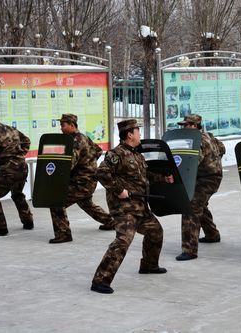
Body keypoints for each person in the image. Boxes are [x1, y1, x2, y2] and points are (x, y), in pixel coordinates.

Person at [91, 119, 173, 294]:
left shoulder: (136, 154)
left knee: (155, 231)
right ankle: (100, 280)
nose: (140, 135)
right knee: (123, 241)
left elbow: (144, 176)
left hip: (140, 206)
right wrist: (119, 190)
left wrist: (163, 179)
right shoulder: (117, 154)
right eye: (138, 131)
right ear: (130, 134)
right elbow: (101, 172)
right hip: (124, 208)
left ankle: (149, 266)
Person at [48, 113, 114, 244]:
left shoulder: (74, 141)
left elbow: (69, 163)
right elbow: (98, 151)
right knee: (87, 204)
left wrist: (56, 175)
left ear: (72, 125)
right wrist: (89, 164)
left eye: (63, 125)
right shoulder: (83, 137)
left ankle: (63, 233)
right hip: (88, 180)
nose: (61, 128)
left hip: (81, 182)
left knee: (56, 202)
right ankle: (110, 222)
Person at [175, 114, 225, 261]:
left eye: (186, 125)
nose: (184, 128)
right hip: (209, 176)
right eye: (183, 125)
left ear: (194, 126)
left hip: (207, 179)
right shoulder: (209, 136)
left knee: (190, 207)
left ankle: (189, 249)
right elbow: (221, 148)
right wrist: (214, 160)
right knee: (200, 205)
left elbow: (193, 161)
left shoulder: (198, 141)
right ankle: (212, 234)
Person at [0, 110, 34, 236]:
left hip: (9, 169)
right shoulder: (11, 129)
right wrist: (18, 155)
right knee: (17, 194)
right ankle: (28, 221)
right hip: (22, 166)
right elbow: (26, 141)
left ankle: (0, 228)